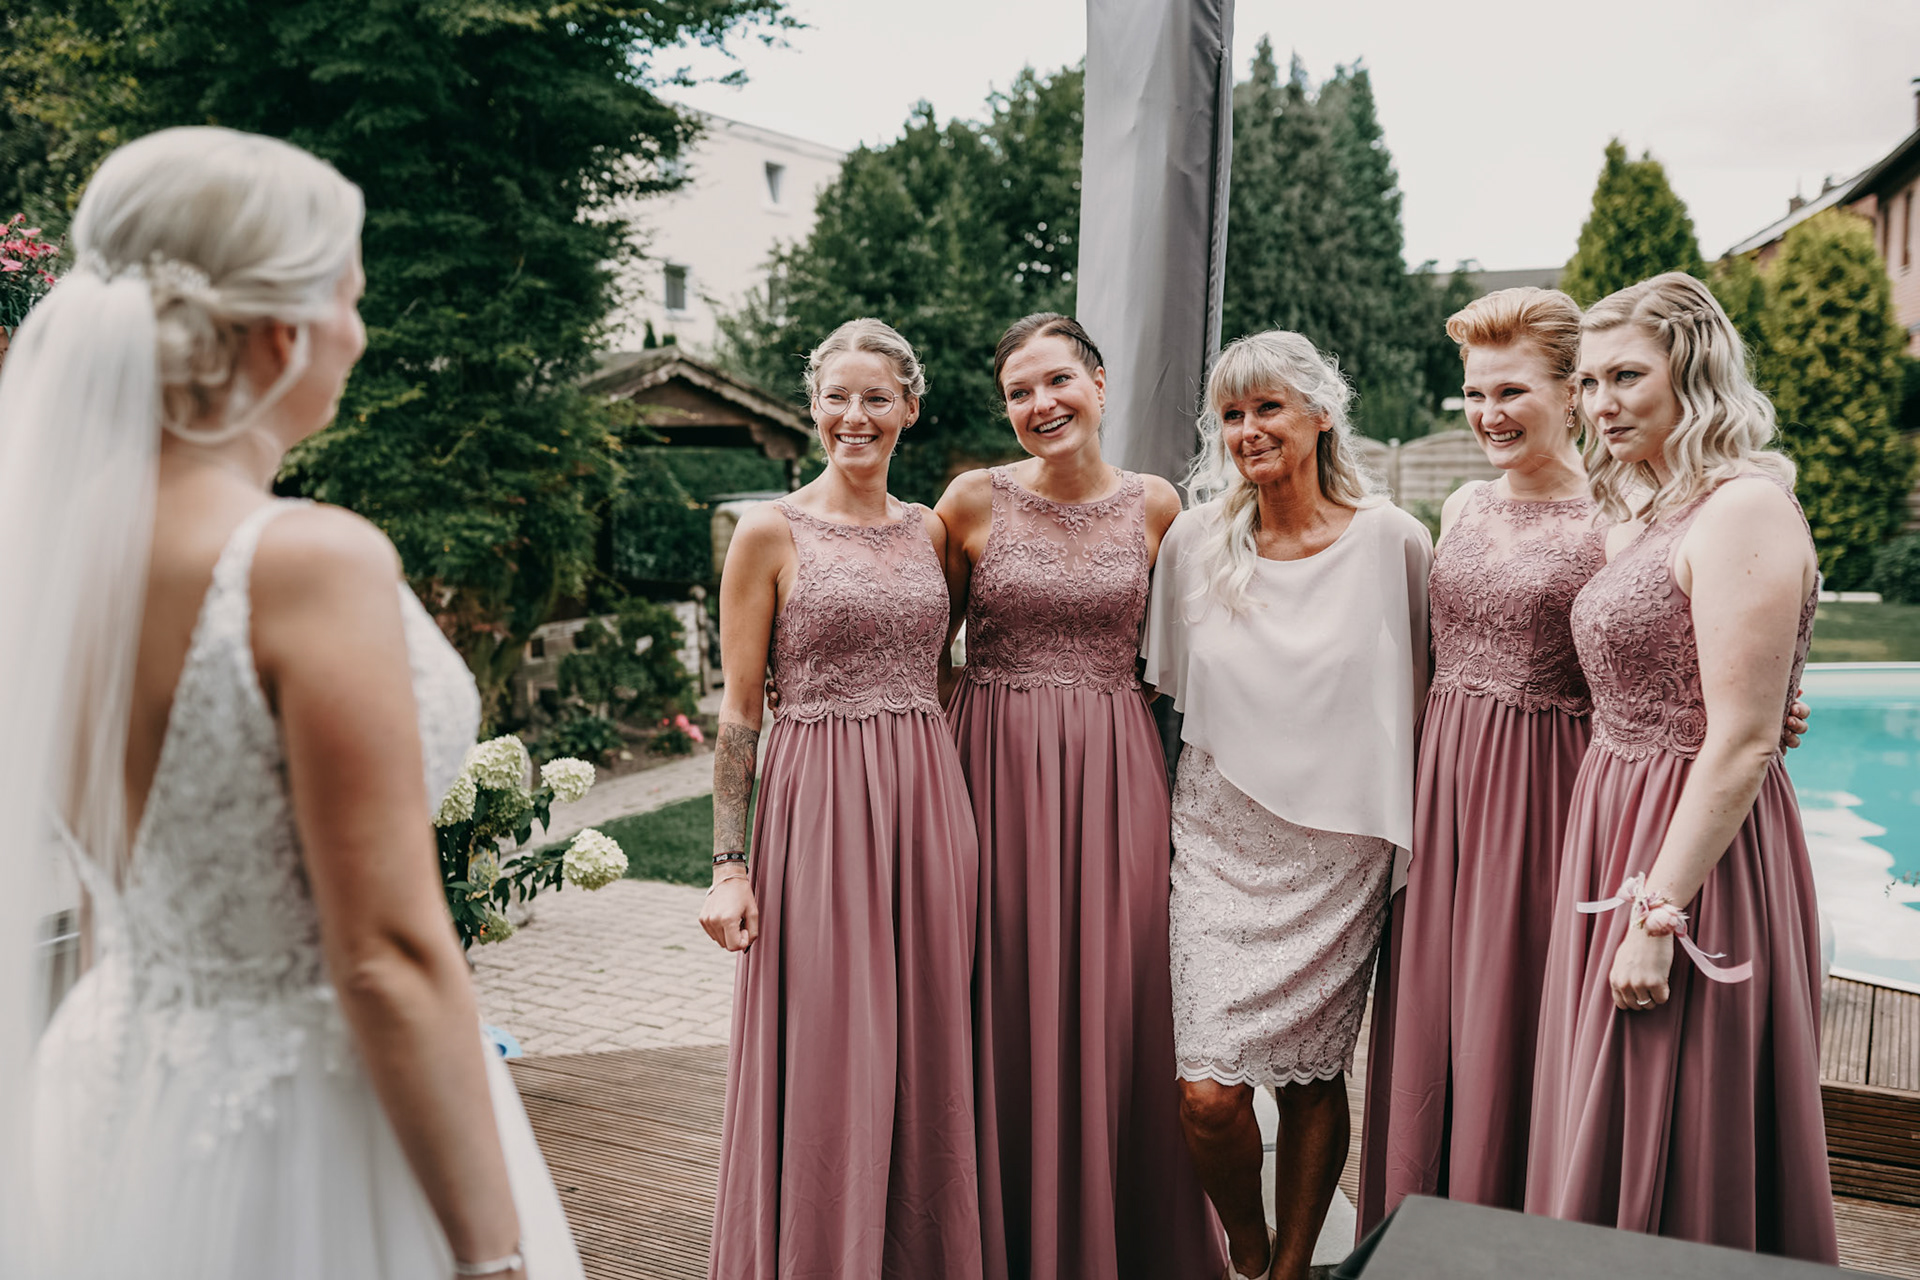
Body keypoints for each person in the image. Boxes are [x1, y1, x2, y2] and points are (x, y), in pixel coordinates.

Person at [6, 128, 578, 1278]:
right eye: (351, 299)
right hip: (309, 1126)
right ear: (281, 329)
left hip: (122, 1086)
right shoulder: (307, 561)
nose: (359, 336)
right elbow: (385, 952)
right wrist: (492, 1256)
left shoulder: (51, 559)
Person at [1525, 273, 1836, 1261]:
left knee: (1676, 1106)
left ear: (1694, 376)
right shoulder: (1653, 510)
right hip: (1616, 821)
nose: (1599, 403)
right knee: (1606, 1105)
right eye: (1587, 382)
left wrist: (1658, 915)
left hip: (1693, 858)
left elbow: (1740, 739)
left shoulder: (1745, 509)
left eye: (1627, 376)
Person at [936, 313, 1223, 1280]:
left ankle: (1120, 1236)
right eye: (1019, 392)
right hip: (991, 771)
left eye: (1058, 380)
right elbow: (924, 652)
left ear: (1099, 384)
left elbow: (1196, 656)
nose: (1041, 404)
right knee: (998, 987)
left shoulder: (1158, 506)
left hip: (1115, 773)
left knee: (1122, 990)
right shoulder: (969, 503)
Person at [699, 318, 983, 1280]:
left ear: (911, 407)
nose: (854, 417)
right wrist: (728, 867)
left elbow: (943, 669)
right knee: (827, 1040)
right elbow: (740, 712)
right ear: (812, 407)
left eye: (876, 398)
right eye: (836, 398)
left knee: (927, 1039)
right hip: (816, 804)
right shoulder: (767, 532)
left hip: (927, 800)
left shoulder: (930, 530)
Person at [1142, 331, 1430, 1280]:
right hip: (1220, 838)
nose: (1249, 429)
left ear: (1321, 415)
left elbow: (1448, 681)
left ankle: (1294, 1269)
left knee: (1314, 1078)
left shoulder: (1393, 540)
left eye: (1268, 407)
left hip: (1341, 848)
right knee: (1208, 1093)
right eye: (1232, 414)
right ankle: (1250, 1250)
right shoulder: (1194, 541)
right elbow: (1153, 686)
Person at [1355, 288, 1604, 1226]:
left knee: (1518, 1010)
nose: (1488, 414)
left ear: (1573, 392)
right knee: (1437, 1012)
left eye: (1512, 392)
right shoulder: (1461, 503)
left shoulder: (1617, 515)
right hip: (1445, 788)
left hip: (1550, 793)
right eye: (1474, 394)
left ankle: (1512, 1231)